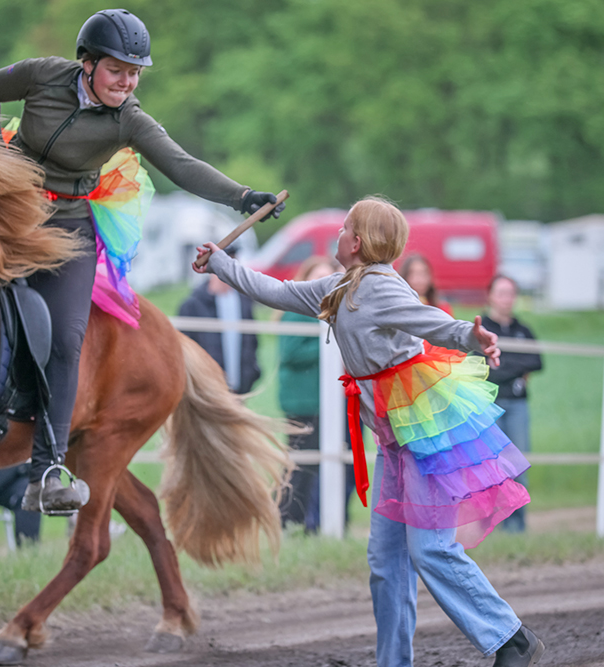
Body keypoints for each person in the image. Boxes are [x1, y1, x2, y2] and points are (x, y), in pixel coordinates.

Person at [194, 196, 544, 667]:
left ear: (356, 242)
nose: (336, 235)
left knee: (431, 549)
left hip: (425, 432)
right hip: (395, 437)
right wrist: (219, 262)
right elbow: (273, 291)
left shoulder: (381, 286)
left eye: (342, 229)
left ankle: (511, 638)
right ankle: (393, 661)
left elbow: (432, 322)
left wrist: (472, 337)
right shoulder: (339, 287)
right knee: (386, 560)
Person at [0, 9, 285, 512]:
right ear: (87, 63)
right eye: (117, 69)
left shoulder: (130, 118)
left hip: (69, 227)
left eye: (135, 72)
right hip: (8, 210)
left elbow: (182, 166)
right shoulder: (42, 73)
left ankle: (48, 467)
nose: (127, 81)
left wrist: (242, 195)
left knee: (68, 337)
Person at [276, 256, 344, 532]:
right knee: (299, 464)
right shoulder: (296, 310)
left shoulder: (330, 311)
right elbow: (290, 352)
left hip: (324, 400)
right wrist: (329, 346)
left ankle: (304, 521)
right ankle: (282, 517)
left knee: (315, 465)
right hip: (302, 400)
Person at [481, 275, 542, 533]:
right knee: (490, 469)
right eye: (502, 293)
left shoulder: (523, 330)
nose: (507, 299)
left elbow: (537, 362)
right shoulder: (481, 327)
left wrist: (502, 366)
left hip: (518, 406)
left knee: (518, 466)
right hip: (488, 407)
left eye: (511, 293)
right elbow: (483, 368)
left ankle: (517, 529)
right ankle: (490, 529)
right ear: (491, 296)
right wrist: (515, 369)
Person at [177, 244, 261, 394]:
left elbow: (252, 341)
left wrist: (252, 372)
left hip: (239, 389)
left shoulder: (244, 302)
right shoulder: (193, 305)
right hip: (206, 391)